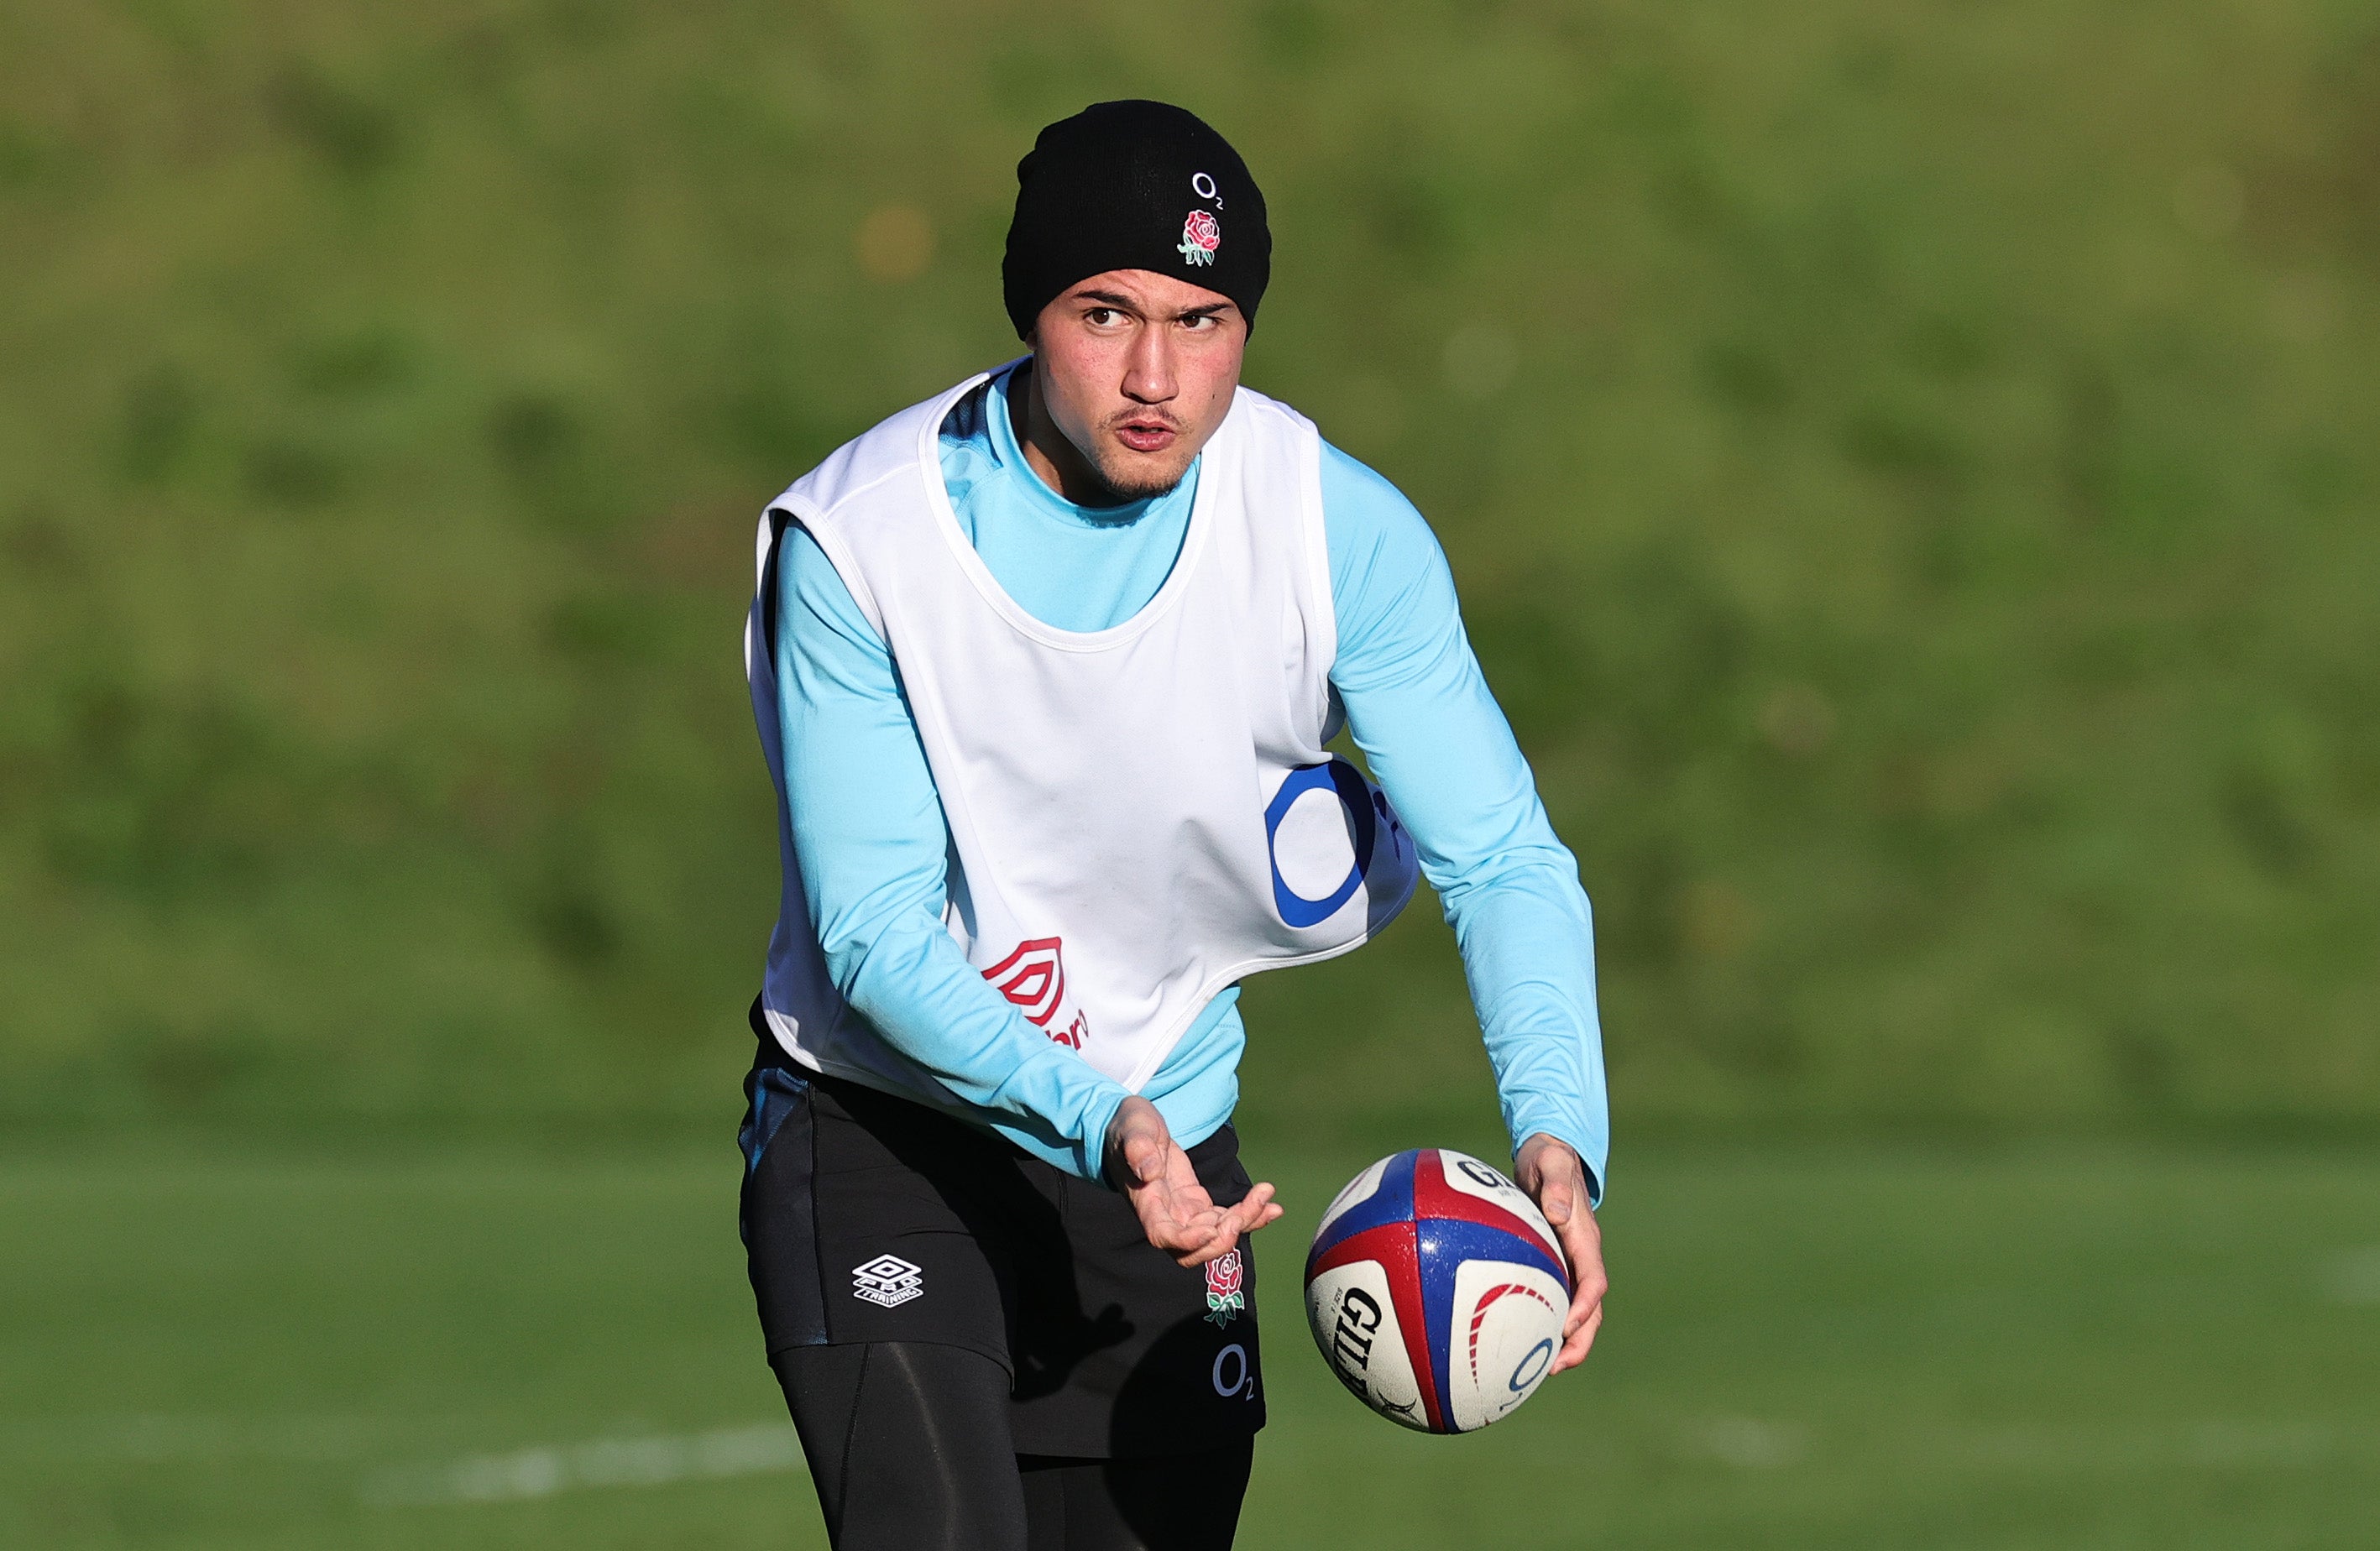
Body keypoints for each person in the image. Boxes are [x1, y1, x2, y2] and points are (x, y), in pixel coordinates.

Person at [738, 100, 1608, 1551]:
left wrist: (1559, 1140)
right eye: (1107, 313)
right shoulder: (866, 544)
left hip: (1172, 1164)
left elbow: (1505, 856)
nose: (1158, 376)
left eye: (1204, 321)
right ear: (1033, 312)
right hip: (889, 1132)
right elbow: (875, 934)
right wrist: (1101, 1120)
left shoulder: (1339, 532)